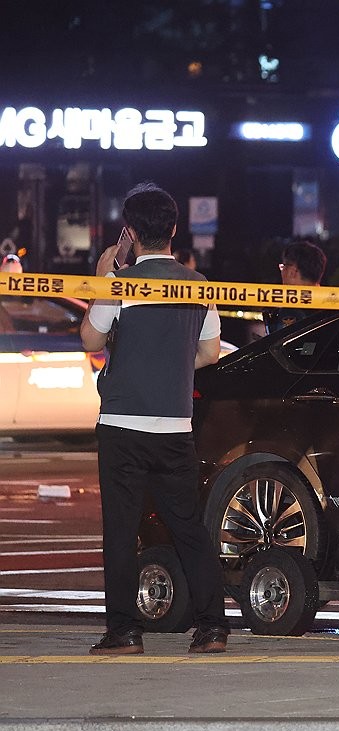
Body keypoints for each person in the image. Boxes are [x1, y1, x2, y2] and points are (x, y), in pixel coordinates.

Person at [79, 182, 230, 656]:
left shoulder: (120, 284)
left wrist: (103, 277)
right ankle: (213, 627)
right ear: (174, 230)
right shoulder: (198, 286)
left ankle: (124, 631)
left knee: (122, 531)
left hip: (123, 423)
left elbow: (90, 340)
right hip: (175, 426)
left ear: (129, 232)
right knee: (188, 527)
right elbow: (209, 352)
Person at [265, 239, 326, 334]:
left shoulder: (288, 311)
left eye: (283, 267)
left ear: (292, 272)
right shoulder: (335, 307)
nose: (281, 272)